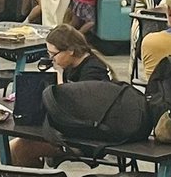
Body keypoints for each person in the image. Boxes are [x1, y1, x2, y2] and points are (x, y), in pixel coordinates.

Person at [10, 25, 113, 168]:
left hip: (88, 137)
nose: (52, 59)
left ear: (70, 50)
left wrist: (57, 78)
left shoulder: (94, 71)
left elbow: (80, 108)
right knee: (15, 145)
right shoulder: (70, 66)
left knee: (19, 148)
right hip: (69, 129)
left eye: (54, 54)